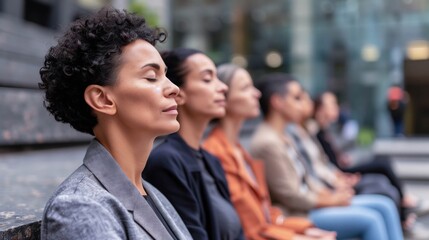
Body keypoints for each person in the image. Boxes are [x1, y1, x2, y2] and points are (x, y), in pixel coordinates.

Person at [38, 8, 192, 240]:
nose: (174, 88)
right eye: (151, 77)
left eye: (166, 75)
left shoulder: (155, 195)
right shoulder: (80, 206)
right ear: (102, 99)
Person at [249, 73, 404, 240]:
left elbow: (308, 179)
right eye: (296, 98)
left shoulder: (283, 136)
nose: (302, 104)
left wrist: (332, 195)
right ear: (277, 102)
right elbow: (291, 195)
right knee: (371, 219)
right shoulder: (268, 142)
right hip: (299, 214)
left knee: (384, 205)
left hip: (312, 204)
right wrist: (331, 200)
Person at [203, 64, 336, 240]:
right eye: (245, 88)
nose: (256, 93)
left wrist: (303, 231)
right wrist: (298, 236)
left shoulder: (239, 150)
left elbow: (264, 214)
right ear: (223, 97)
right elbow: (250, 225)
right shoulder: (217, 152)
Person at [142, 49, 244, 240]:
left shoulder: (211, 160)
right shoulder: (166, 161)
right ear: (178, 93)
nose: (222, 87)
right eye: (207, 79)